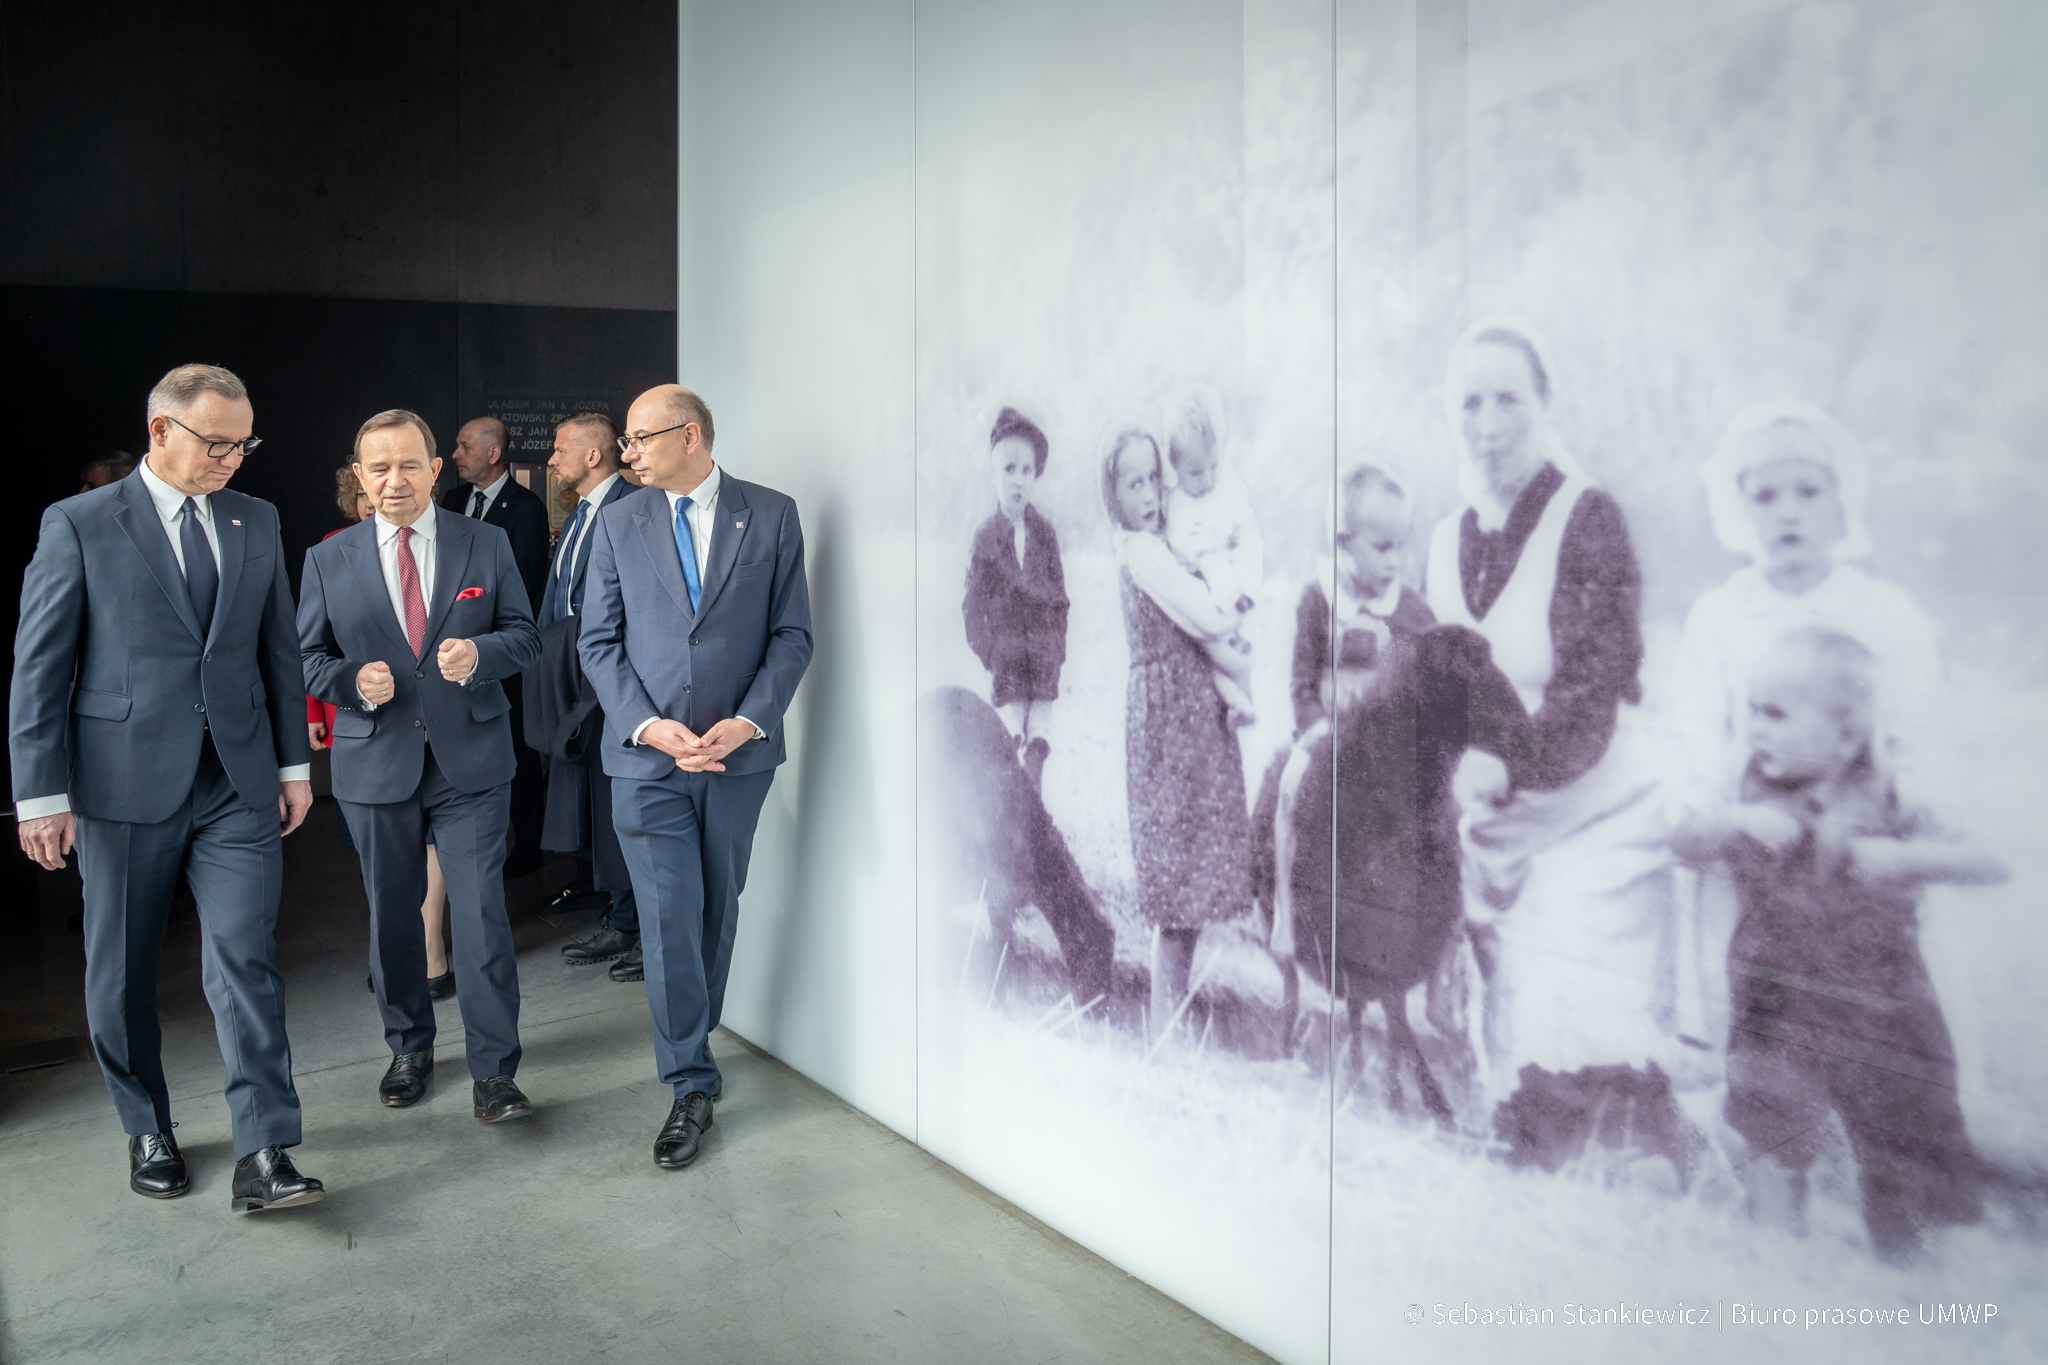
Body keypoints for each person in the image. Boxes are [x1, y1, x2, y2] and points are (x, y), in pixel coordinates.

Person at [11, 364, 323, 1211]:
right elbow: (38, 667)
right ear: (160, 432)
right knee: (117, 971)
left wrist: (294, 767)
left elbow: (279, 654)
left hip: (238, 780)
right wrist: (39, 795)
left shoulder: (255, 517)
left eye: (243, 443)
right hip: (120, 785)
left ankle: (265, 1149)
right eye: (216, 442)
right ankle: (146, 1123)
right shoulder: (79, 523)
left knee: (247, 963)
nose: (233, 459)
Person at [1424, 319, 1683, 1143]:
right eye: (1470, 401)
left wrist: (1504, 772)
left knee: (1556, 989)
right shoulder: (1442, 542)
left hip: (1595, 804)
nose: (1488, 421)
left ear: (1545, 405)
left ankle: (1607, 1128)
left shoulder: (1586, 518)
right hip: (1495, 816)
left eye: (1508, 397)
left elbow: (1591, 695)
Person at [1673, 627, 2005, 1262]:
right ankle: (1776, 1253)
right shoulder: (1745, 787)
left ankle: (1906, 1264)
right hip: (1775, 996)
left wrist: (1909, 861)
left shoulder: (1890, 792)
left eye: (1776, 714)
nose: (1757, 730)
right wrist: (1732, 821)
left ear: (1847, 736)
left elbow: (1990, 861)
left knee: (1904, 1134)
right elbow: (1684, 844)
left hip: (1884, 1004)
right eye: (1752, 712)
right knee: (1769, 1126)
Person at [578, 384, 813, 1170]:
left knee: (717, 903)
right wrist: (649, 725)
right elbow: (599, 643)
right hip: (646, 759)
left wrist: (748, 721)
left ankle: (691, 1029)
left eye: (640, 440)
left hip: (738, 755)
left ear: (690, 435)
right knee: (670, 910)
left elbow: (791, 635)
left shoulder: (772, 514)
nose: (628, 455)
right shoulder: (617, 522)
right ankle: (689, 1079)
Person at [1666, 401, 1946, 1060]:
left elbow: (1919, 740)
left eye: (1807, 492)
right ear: (1740, 509)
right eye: (1765, 496)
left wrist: (1902, 828)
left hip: (1859, 864)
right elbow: (1697, 742)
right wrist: (1725, 817)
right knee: (1761, 1042)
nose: (1787, 512)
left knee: (1887, 1043)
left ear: (1841, 503)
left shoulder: (1886, 613)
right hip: (1758, 866)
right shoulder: (1722, 614)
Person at [298, 410, 543, 1122]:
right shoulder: (328, 557)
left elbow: (524, 636)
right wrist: (350, 682)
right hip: (376, 763)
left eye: (409, 464)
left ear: (436, 469)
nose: (394, 480)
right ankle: (410, 1047)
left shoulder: (486, 542)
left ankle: (495, 1070)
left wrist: (480, 657)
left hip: (470, 759)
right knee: (393, 920)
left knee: (480, 916)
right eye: (379, 468)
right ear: (360, 475)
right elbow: (307, 659)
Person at [1100, 427, 1253, 1043]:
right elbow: (1208, 614)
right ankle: (1166, 1022)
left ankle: (1175, 1018)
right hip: (1168, 719)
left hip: (1190, 712)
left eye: (1153, 479)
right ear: (1114, 495)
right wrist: (1235, 627)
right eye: (1132, 483)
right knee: (1175, 880)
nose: (1149, 494)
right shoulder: (1143, 554)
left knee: (1190, 879)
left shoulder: (1162, 543)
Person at [308, 465, 455, 999]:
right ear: (358, 492)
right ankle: (397, 954)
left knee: (438, 844)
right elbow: (311, 650)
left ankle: (431, 941)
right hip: (369, 729)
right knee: (383, 867)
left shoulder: (462, 545)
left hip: (448, 736)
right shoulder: (331, 553)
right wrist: (318, 711)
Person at [538, 412, 647, 982]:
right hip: (574, 682)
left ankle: (638, 927)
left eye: (560, 449)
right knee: (599, 813)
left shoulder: (631, 511)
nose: (551, 459)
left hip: (613, 689)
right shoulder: (580, 514)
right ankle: (623, 919)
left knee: (621, 812)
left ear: (593, 457)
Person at [443, 416, 551, 877]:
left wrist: (478, 635)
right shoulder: (450, 500)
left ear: (493, 453)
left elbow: (522, 586)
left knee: (516, 750)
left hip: (501, 652)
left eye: (464, 446)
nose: (455, 454)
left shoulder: (526, 508)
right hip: (449, 653)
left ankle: (527, 847)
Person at [961, 406, 1069, 785]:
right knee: (1011, 738)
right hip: (1007, 664)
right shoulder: (986, 538)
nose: (1018, 481)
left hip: (1041, 661)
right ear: (993, 471)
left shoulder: (1045, 534)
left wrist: (1055, 651)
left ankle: (1034, 801)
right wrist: (992, 655)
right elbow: (972, 610)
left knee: (1039, 738)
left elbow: (1060, 600)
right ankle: (1012, 805)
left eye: (1027, 470)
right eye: (1009, 469)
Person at [1161, 390, 1261, 725]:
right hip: (1198, 592)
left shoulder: (1228, 488)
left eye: (1212, 466)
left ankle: (1244, 700)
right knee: (1212, 652)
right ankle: (1238, 702)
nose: (1206, 479)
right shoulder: (1175, 502)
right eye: (1195, 472)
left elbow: (1247, 535)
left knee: (1239, 644)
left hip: (1231, 587)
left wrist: (1246, 587)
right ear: (1174, 466)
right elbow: (1180, 546)